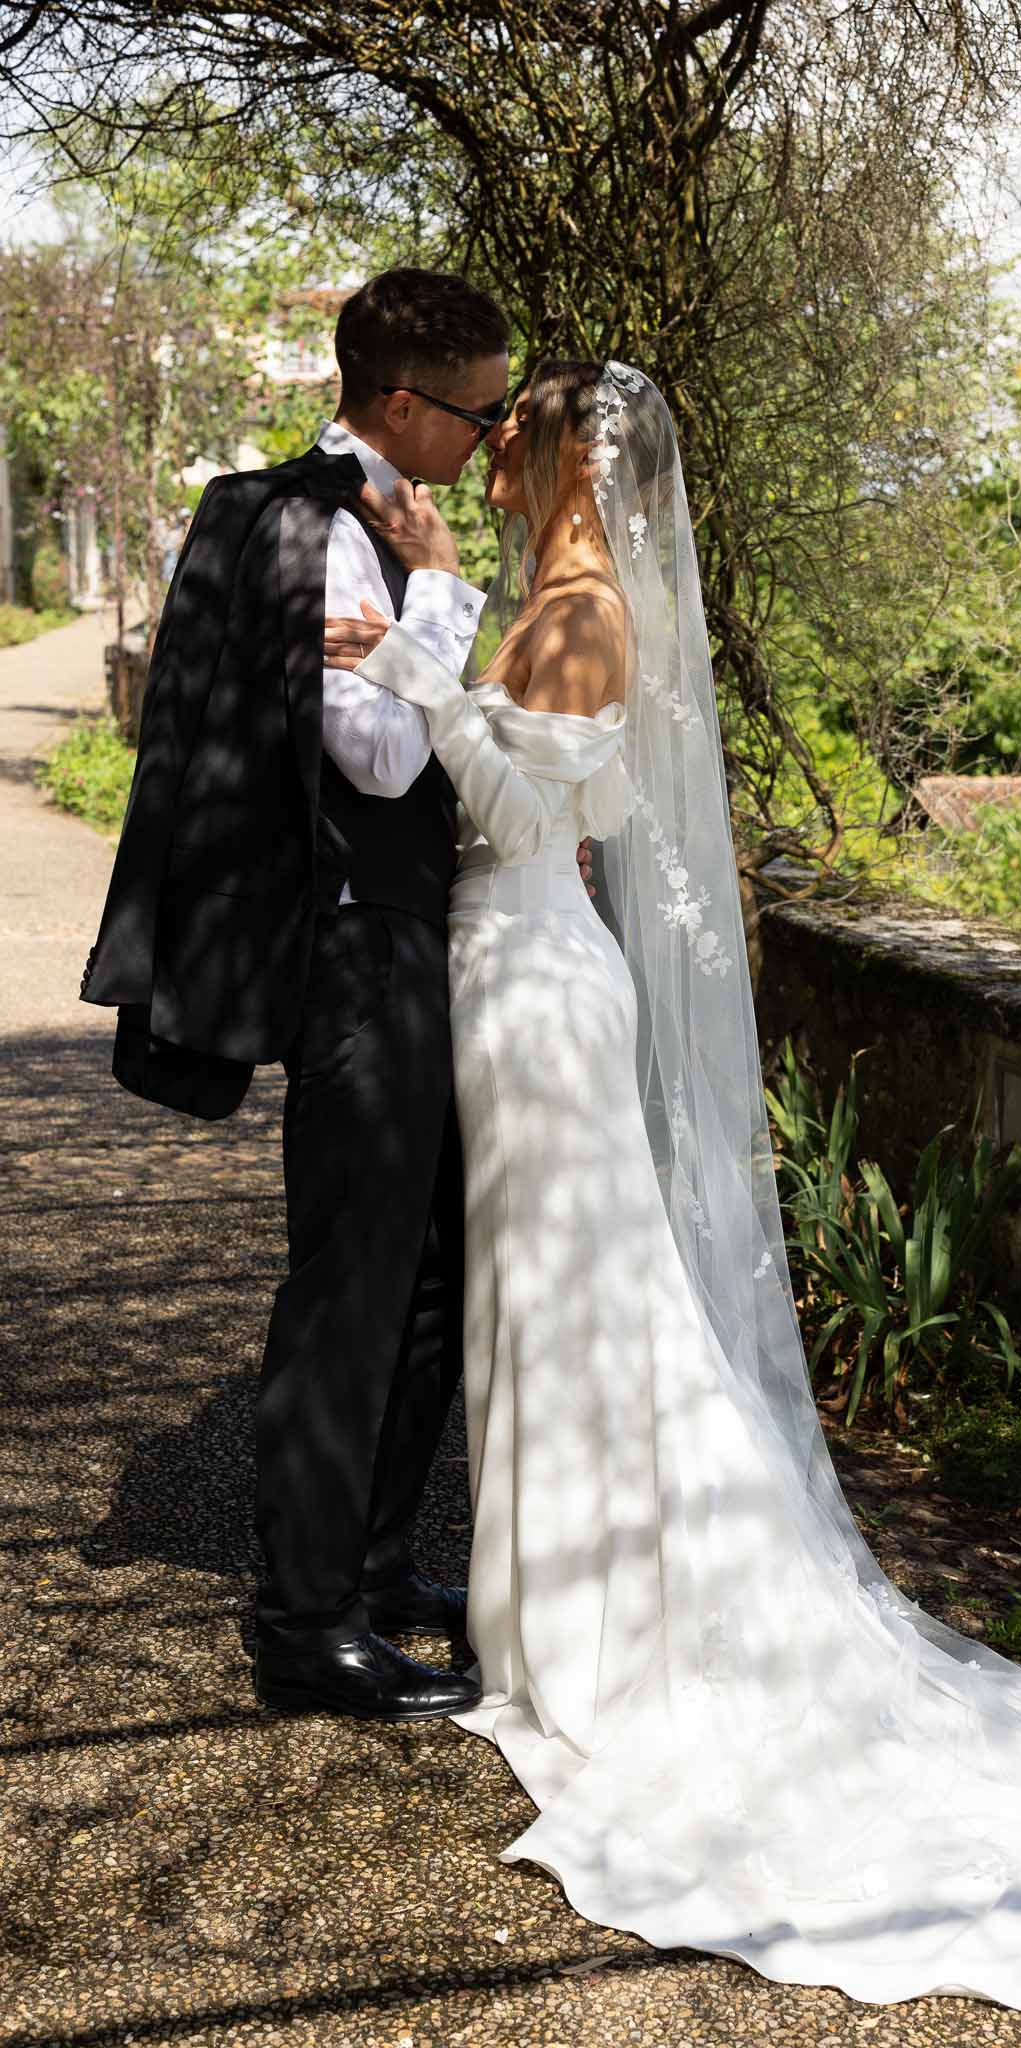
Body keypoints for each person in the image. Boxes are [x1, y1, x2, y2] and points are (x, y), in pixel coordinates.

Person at [321, 358, 1021, 2006]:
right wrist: (446, 643)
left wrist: (423, 648)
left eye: (516, 432)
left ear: (569, 454)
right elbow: (599, 793)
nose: (491, 455)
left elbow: (522, 797)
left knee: (575, 1289)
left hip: (529, 979)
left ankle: (599, 1632)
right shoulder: (559, 593)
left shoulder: (571, 606)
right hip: (518, 966)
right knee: (557, 1287)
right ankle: (557, 1604)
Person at [80, 269, 516, 1723]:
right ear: (403, 403)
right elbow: (382, 765)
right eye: (480, 410)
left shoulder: (351, 521)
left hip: (405, 937)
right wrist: (443, 592)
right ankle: (302, 1621)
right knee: (354, 1284)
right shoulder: (330, 531)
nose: (492, 435)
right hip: (354, 950)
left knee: (429, 1270)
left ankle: (378, 1565)